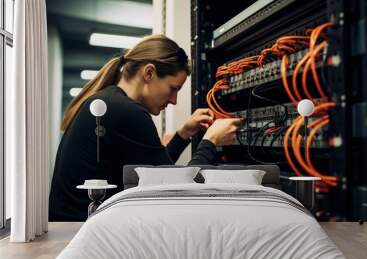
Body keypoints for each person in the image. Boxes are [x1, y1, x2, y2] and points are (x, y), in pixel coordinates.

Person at [49, 35, 242, 221]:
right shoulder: (127, 111)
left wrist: (182, 135)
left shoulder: (110, 101)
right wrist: (211, 141)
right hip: (82, 234)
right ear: (149, 73)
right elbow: (178, 190)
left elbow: (152, 175)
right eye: (173, 88)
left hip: (73, 229)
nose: (174, 100)